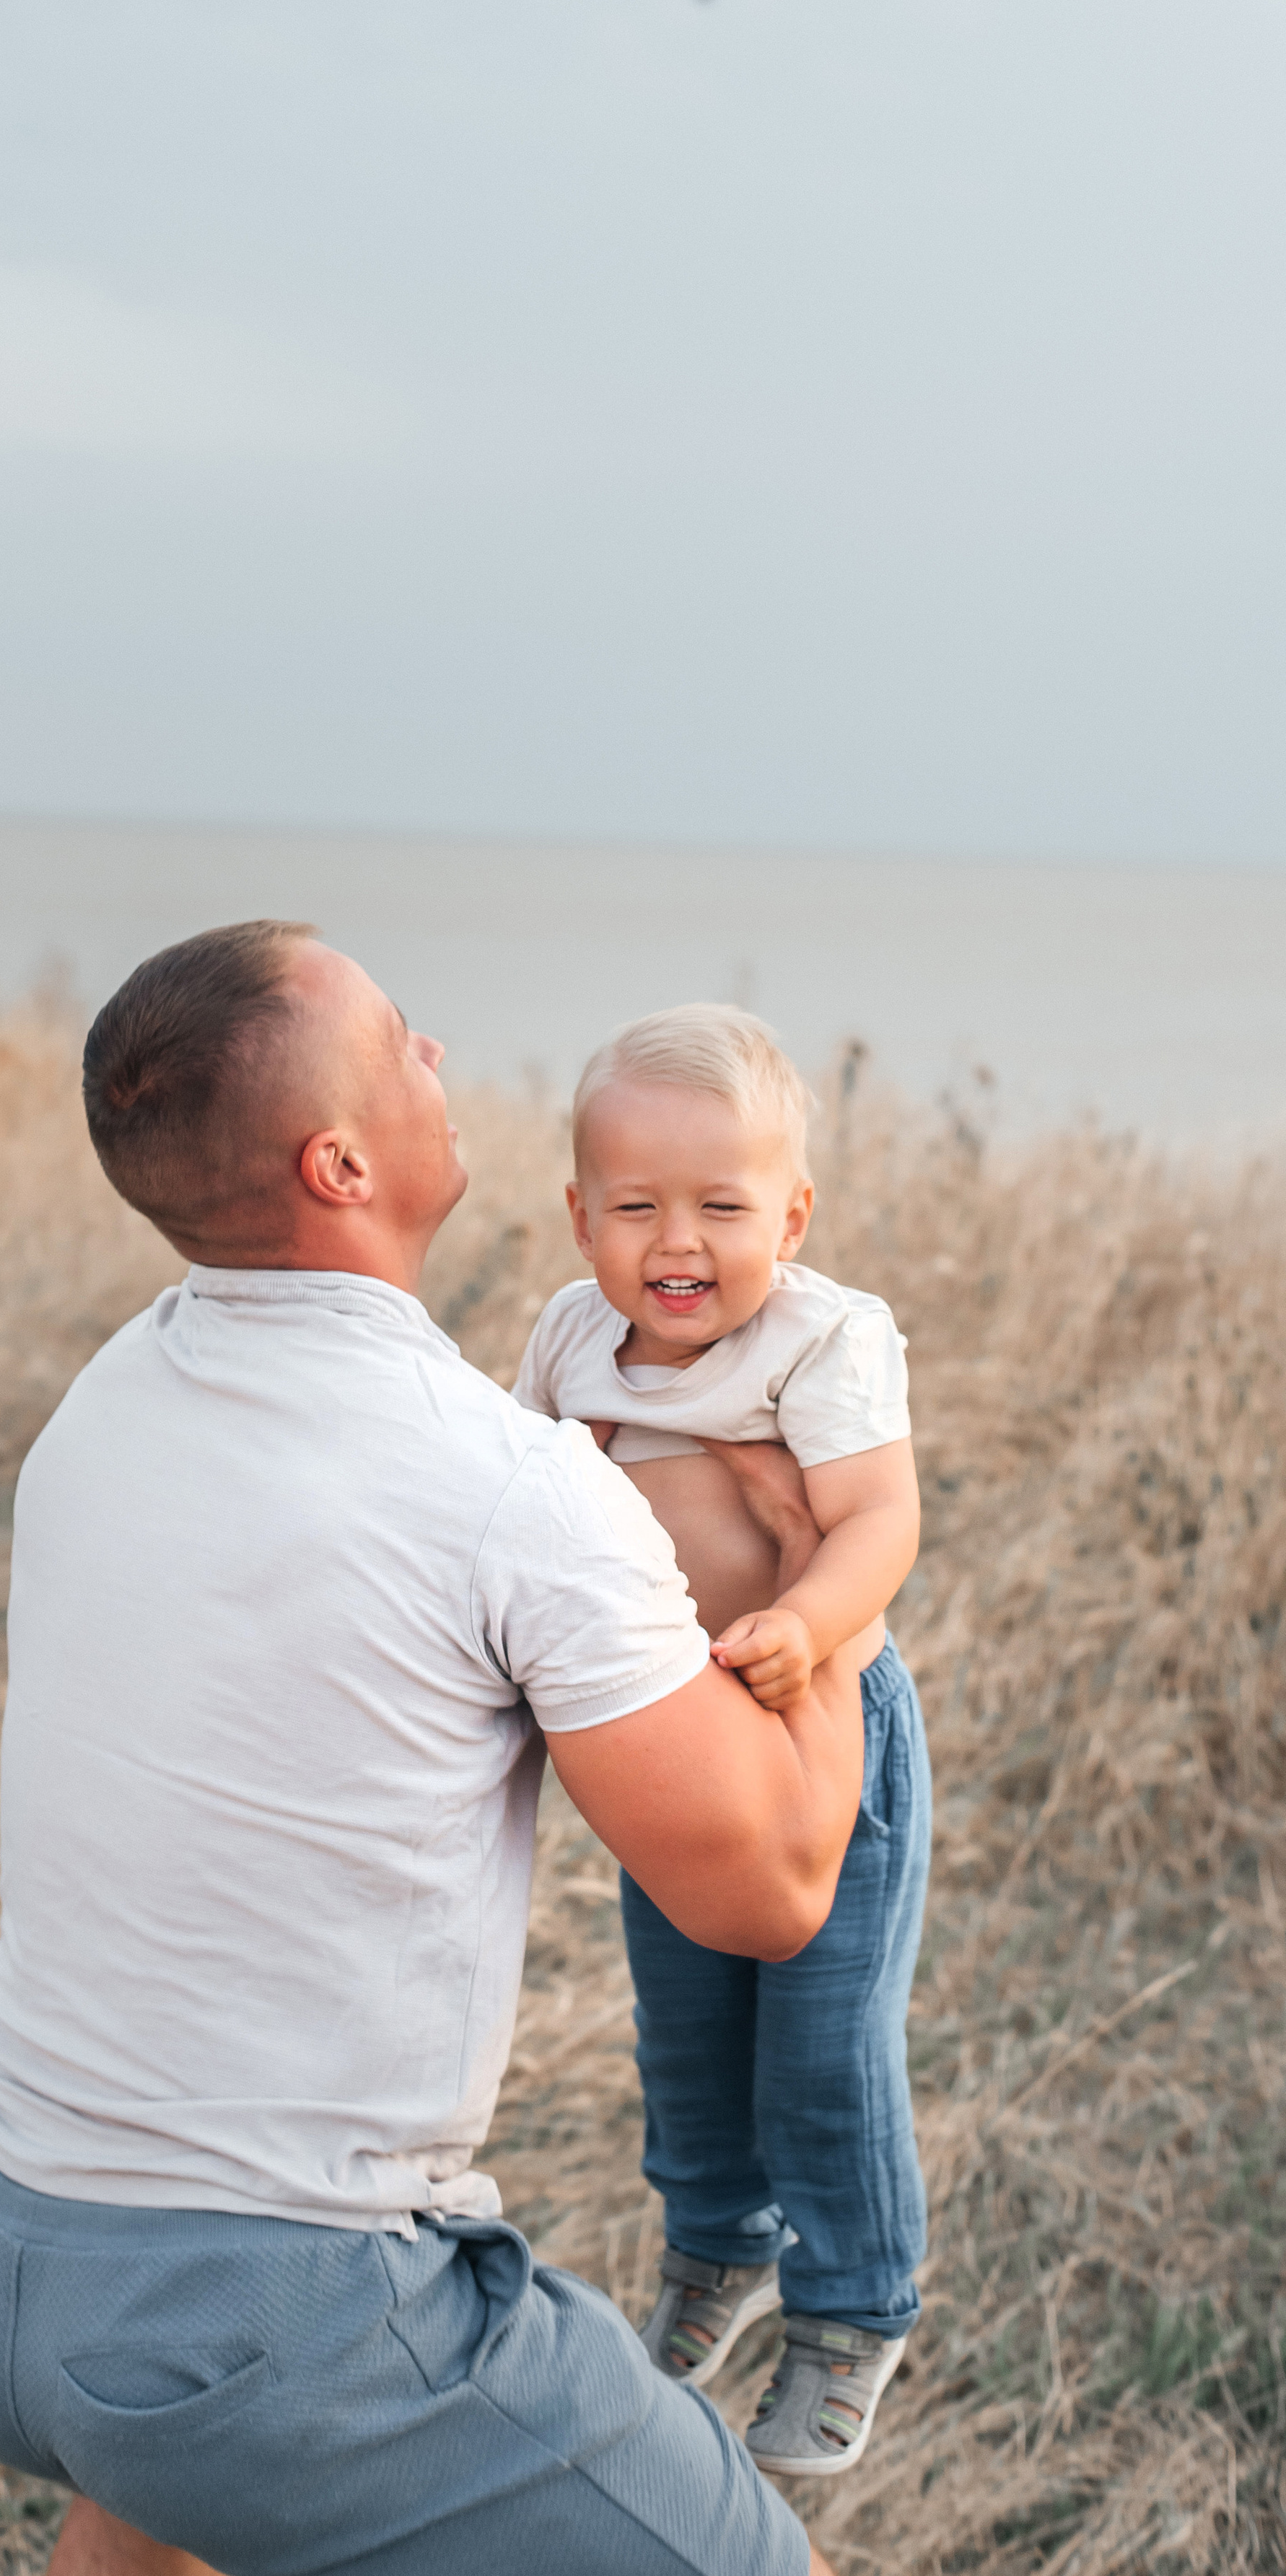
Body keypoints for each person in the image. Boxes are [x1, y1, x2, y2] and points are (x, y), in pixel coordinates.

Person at [0, 922, 862, 2575]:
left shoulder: (109, 1398)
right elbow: (767, 1891)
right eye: (405, 1040)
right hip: (264, 2322)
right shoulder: (507, 1488)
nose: (437, 1059)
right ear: (338, 1161)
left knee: (153, 2491)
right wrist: (818, 1601)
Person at [514, 1004, 930, 2477]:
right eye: (633, 1207)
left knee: (821, 2043)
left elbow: (877, 1516)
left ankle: (848, 2307)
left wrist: (810, 1622)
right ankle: (714, 2247)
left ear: (792, 1214)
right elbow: (521, 1505)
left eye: (719, 1206)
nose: (673, 1242)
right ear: (578, 1217)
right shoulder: (570, 1340)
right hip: (671, 1737)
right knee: (685, 2028)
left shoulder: (819, 1334)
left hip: (822, 1715)